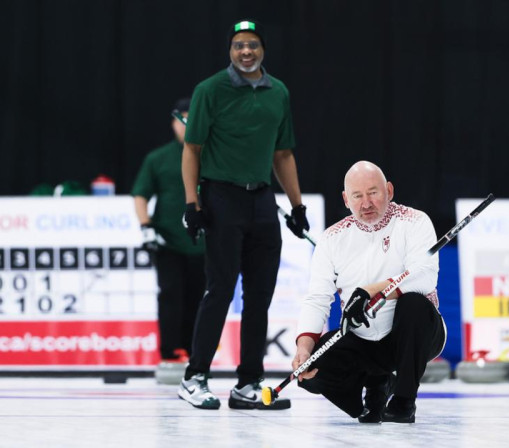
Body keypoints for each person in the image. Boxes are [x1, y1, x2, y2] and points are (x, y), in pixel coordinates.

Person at [179, 19, 309, 410]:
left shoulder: (278, 92)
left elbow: (282, 154)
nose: (246, 51)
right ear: (230, 51)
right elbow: (192, 150)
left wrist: (297, 206)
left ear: (263, 49)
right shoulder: (210, 90)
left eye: (252, 44)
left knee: (260, 295)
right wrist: (192, 204)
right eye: (239, 45)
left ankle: (248, 383)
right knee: (220, 289)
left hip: (262, 200)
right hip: (221, 197)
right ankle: (195, 377)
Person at [292, 161, 445, 423]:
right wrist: (303, 349)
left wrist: (371, 291)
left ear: (389, 190)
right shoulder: (332, 238)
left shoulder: (414, 221)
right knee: (312, 372)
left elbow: (425, 277)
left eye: (373, 193)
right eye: (357, 196)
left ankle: (403, 401)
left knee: (414, 305)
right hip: (363, 340)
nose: (366, 204)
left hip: (414, 335)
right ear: (345, 199)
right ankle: (374, 390)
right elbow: (317, 298)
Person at [131, 98, 206, 379]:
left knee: (200, 297)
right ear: (173, 122)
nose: (185, 125)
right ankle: (170, 351)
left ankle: (195, 352)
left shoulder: (211, 154)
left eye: (191, 119)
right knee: (170, 295)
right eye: (181, 119)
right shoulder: (158, 158)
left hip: (204, 242)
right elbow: (140, 194)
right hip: (168, 240)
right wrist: (146, 226)